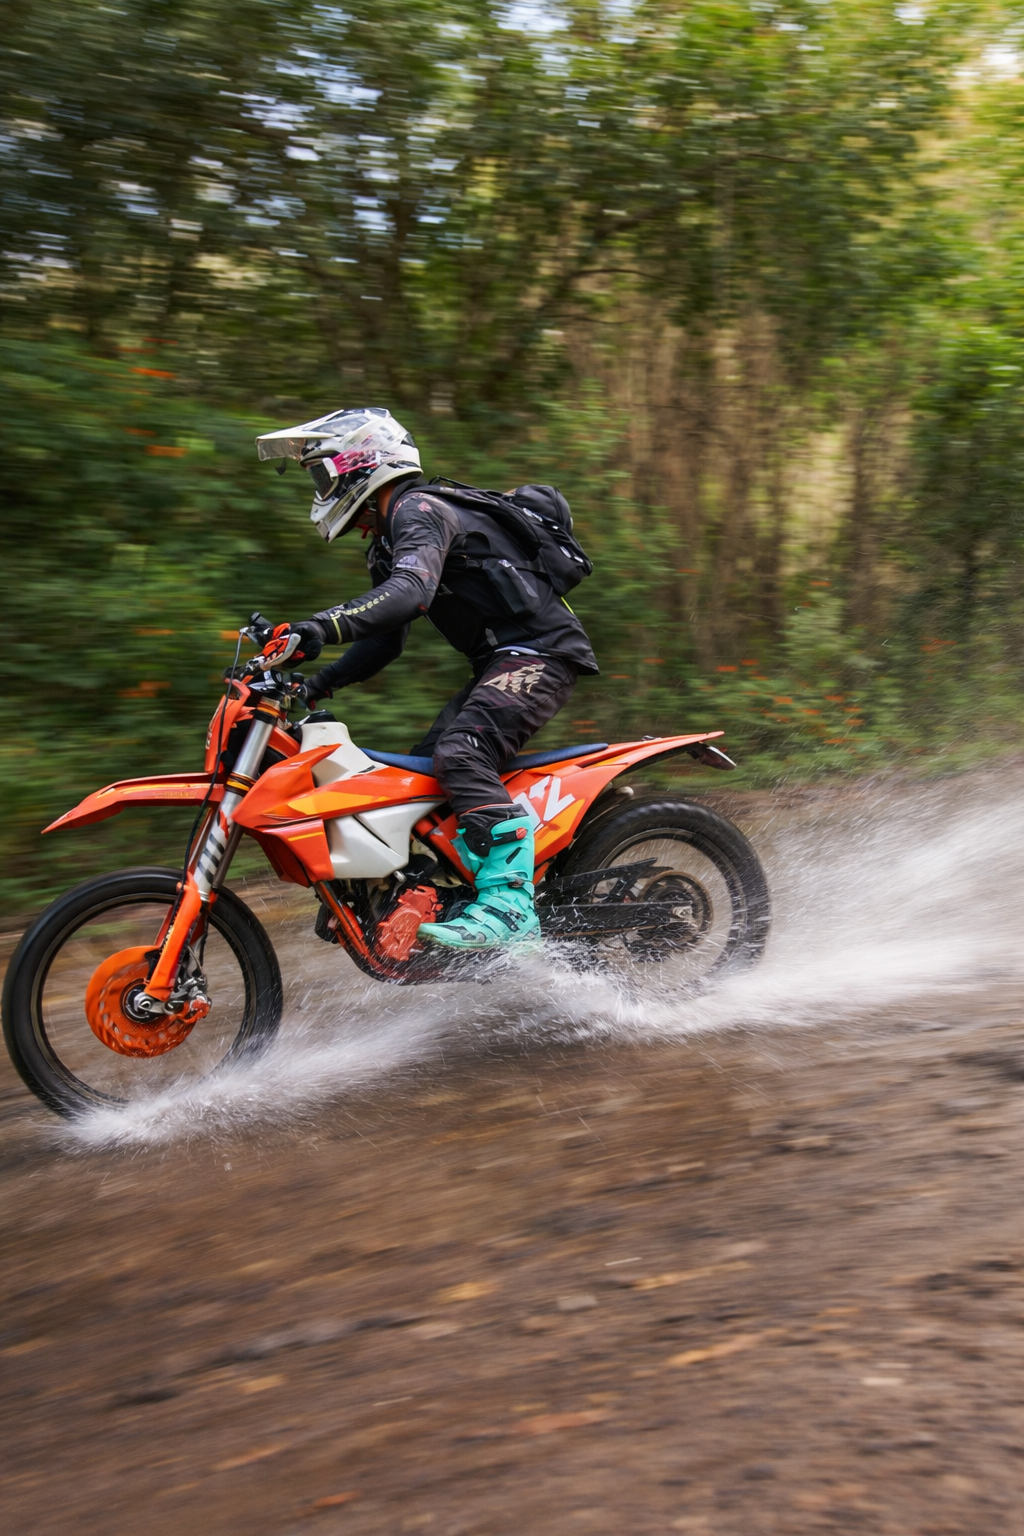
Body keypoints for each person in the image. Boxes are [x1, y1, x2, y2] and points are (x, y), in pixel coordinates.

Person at [255, 406, 598, 951]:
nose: (319, 488)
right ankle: (430, 898)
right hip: (502, 662)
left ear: (361, 461)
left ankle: (509, 906)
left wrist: (321, 625)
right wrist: (315, 686)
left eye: (322, 473)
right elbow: (384, 640)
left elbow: (410, 593)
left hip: (541, 654)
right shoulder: (388, 540)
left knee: (461, 754)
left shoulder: (419, 509)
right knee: (420, 773)